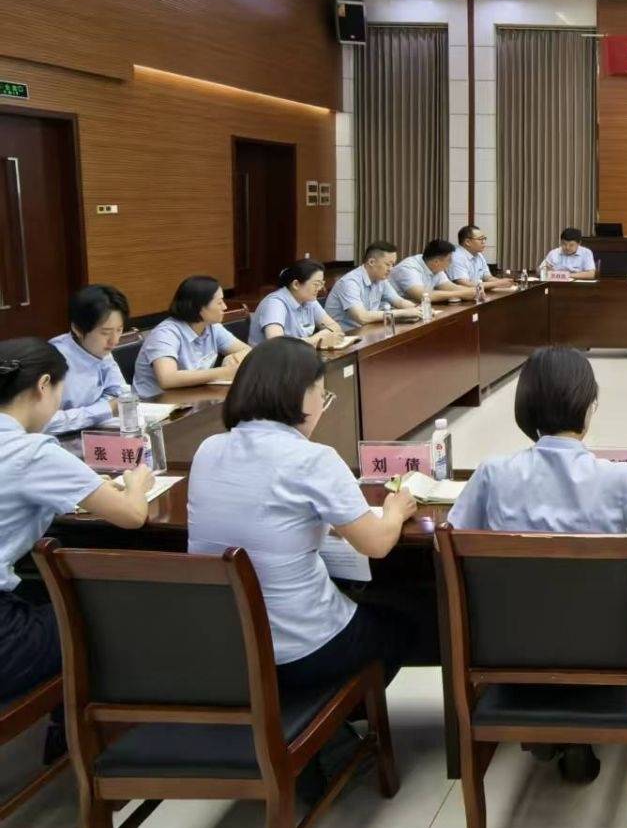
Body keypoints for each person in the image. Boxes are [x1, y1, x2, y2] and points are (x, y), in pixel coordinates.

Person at [448, 345, 627, 782]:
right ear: (587, 408)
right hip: (609, 656)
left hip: (515, 653)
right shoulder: (621, 480)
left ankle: (551, 730)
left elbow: (449, 543)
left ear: (525, 407)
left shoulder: (492, 476)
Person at [187, 338, 420, 795]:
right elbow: (376, 544)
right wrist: (395, 511)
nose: (322, 406)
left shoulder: (208, 450)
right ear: (299, 396)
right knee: (409, 620)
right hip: (303, 651)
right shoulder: (312, 459)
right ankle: (326, 729)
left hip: (227, 651)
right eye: (321, 393)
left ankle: (305, 719)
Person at [1, 338, 151, 750]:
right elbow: (131, 515)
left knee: (48, 589)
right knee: (113, 607)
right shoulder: (30, 451)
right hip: (4, 639)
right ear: (43, 386)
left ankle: (66, 725)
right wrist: (136, 483)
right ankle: (90, 737)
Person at [133, 276, 250, 398]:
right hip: (154, 403)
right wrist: (224, 373)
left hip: (189, 398)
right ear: (200, 307)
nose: (225, 307)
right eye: (219, 302)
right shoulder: (165, 334)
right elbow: (167, 379)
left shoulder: (212, 327)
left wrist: (233, 358)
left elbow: (248, 351)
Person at [43, 284, 132, 435]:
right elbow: (44, 422)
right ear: (77, 329)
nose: (114, 341)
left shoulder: (101, 349)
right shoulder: (52, 359)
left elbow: (120, 394)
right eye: (105, 333)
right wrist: (105, 409)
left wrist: (102, 409)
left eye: (119, 330)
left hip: (92, 434)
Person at [325, 241, 423, 332]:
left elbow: (399, 301)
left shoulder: (381, 280)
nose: (391, 269)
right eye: (388, 264)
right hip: (344, 336)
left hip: (366, 331)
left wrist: (418, 310)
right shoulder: (350, 283)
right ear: (371, 262)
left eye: (393, 265)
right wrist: (403, 313)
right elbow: (362, 317)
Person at [249, 260, 346, 349]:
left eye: (321, 284)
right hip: (269, 359)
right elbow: (277, 344)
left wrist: (325, 335)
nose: (320, 288)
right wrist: (316, 339)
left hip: (296, 356)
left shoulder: (309, 300)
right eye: (316, 284)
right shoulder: (275, 303)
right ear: (296, 284)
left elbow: (335, 328)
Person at [392, 240, 475, 304]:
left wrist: (474, 291)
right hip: (395, 311)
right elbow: (423, 296)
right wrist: (460, 294)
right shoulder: (408, 268)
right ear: (436, 262)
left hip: (416, 309)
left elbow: (450, 287)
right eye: (449, 260)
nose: (451, 263)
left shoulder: (435, 267)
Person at [450, 225, 514, 292]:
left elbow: (487, 277)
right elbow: (465, 284)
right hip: (460, 295)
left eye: (484, 238)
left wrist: (504, 282)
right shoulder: (456, 257)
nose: (484, 242)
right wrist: (497, 283)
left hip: (477, 293)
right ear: (467, 242)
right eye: (480, 239)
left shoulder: (479, 255)